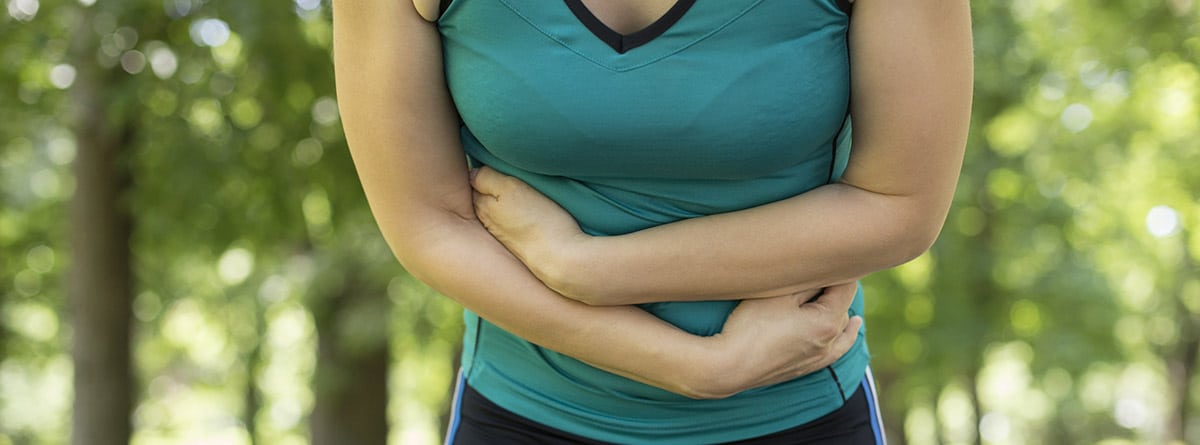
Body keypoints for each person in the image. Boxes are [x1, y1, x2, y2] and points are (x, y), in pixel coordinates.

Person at [332, 0, 972, 443]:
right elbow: (428, 223)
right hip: (519, 417)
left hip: (799, 415)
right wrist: (699, 368)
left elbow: (901, 207)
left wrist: (588, 267)